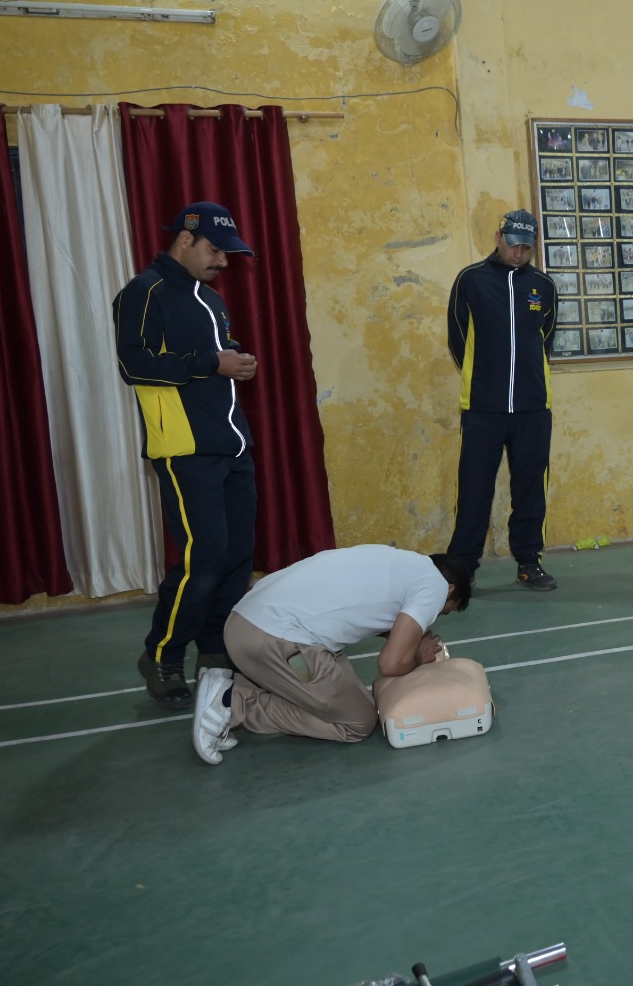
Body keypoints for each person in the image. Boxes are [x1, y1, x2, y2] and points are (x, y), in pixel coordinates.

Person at [113, 202, 259, 711]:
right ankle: (163, 655)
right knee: (205, 558)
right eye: (214, 250)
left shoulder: (210, 298)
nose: (222, 261)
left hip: (232, 445)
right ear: (184, 240)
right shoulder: (144, 292)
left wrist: (236, 359)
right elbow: (133, 364)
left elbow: (215, 355)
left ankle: (216, 652)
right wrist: (211, 363)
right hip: (184, 449)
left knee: (237, 556)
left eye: (227, 253)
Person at [191, 545, 473, 764]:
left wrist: (410, 639)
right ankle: (233, 701)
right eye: (443, 611)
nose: (433, 618)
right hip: (276, 641)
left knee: (331, 682)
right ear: (449, 589)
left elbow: (364, 613)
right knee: (358, 721)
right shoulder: (435, 585)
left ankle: (229, 687)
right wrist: (416, 658)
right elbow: (390, 664)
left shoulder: (397, 562)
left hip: (242, 627)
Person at [446, 210, 559, 590]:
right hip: (483, 408)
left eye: (527, 248)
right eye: (513, 245)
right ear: (498, 238)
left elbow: (545, 338)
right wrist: (482, 379)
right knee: (474, 488)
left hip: (533, 408)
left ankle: (529, 561)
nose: (519, 253)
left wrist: (529, 380)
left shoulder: (543, 285)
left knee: (531, 488)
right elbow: (457, 338)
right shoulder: (471, 280)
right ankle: (462, 569)